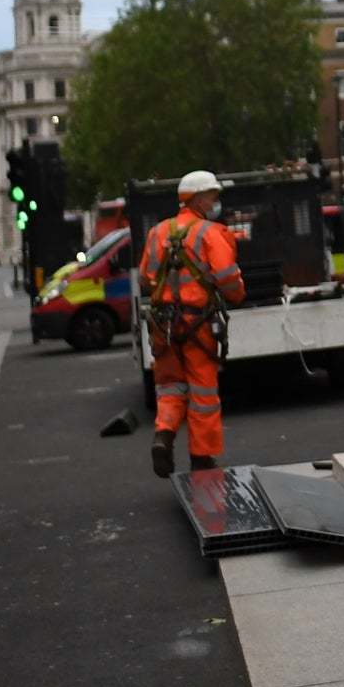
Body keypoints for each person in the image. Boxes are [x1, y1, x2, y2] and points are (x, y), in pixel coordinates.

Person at [140, 170, 244, 478]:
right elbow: (227, 277)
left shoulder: (157, 233)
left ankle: (164, 435)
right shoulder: (211, 233)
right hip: (197, 324)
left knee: (170, 386)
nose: (214, 201)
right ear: (198, 198)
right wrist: (235, 294)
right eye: (211, 196)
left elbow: (147, 275)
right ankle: (201, 458)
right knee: (203, 393)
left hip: (164, 324)